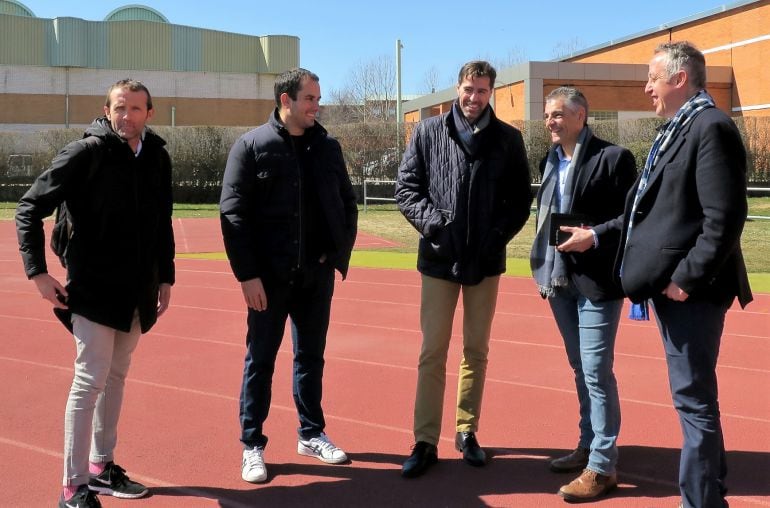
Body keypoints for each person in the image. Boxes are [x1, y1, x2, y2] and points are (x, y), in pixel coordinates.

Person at [16, 79, 175, 508]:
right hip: (93, 290)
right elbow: (29, 207)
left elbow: (163, 222)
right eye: (120, 108)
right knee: (90, 381)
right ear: (107, 110)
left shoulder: (157, 157)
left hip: (139, 292)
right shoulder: (86, 153)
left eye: (136, 109)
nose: (127, 116)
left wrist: (166, 278)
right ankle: (72, 486)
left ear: (149, 113)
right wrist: (38, 274)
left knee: (116, 378)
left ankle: (101, 468)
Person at [617, 41, 752, 508]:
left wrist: (686, 279)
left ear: (679, 79)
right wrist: (595, 235)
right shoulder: (675, 129)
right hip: (672, 290)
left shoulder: (710, 127)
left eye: (653, 77)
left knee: (693, 402)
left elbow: (726, 217)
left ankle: (699, 502)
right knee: (696, 400)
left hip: (692, 294)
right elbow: (641, 210)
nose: (647, 86)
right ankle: (708, 493)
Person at [220, 67, 358, 484]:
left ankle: (311, 433)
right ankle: (252, 445)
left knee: (310, 358)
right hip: (268, 280)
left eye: (318, 98)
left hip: (315, 277)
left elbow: (346, 204)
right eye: (310, 99)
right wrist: (248, 275)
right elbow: (233, 214)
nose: (317, 106)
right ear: (286, 101)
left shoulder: (327, 148)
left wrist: (336, 256)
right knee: (260, 360)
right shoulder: (251, 146)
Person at [395, 60, 532, 478]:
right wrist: (437, 226)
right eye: (469, 89)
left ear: (492, 92)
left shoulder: (509, 139)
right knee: (432, 351)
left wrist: (494, 237)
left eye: (483, 91)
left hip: (485, 262)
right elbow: (407, 188)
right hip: (439, 258)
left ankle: (467, 432)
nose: (475, 98)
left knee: (476, 349)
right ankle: (424, 440)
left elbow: (519, 201)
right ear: (457, 88)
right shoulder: (427, 131)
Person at [530, 87, 637, 501]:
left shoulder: (614, 158)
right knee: (579, 367)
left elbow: (631, 217)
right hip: (559, 280)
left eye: (558, 114)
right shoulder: (549, 161)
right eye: (547, 116)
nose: (550, 122)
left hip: (598, 282)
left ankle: (602, 465)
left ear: (580, 116)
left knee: (596, 371)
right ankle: (587, 443)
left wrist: (592, 236)